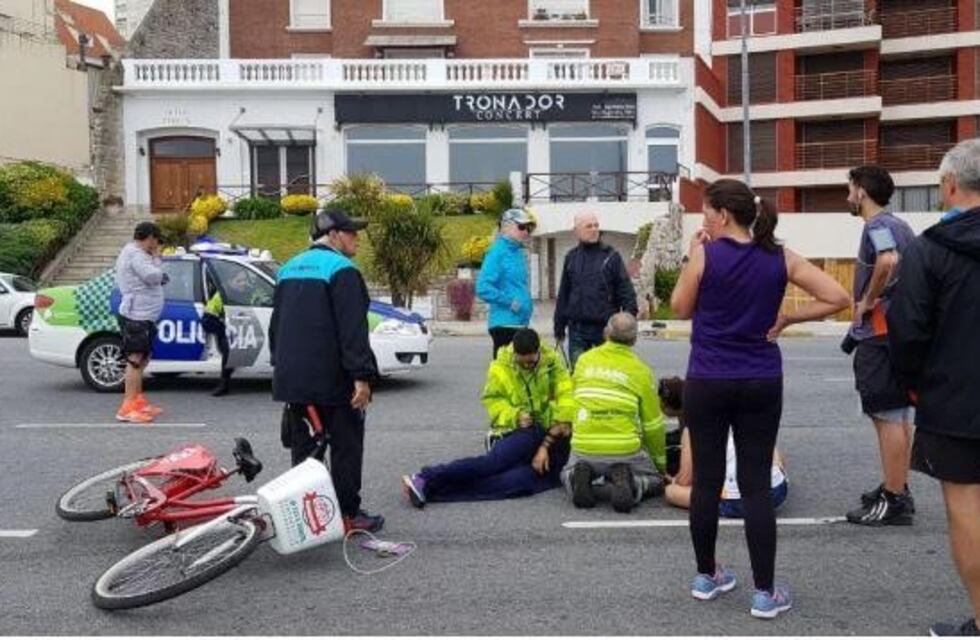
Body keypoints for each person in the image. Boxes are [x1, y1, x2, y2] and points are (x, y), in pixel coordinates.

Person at [670, 179, 849, 619]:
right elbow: (838, 297)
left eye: (707, 211)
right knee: (754, 485)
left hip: (708, 379)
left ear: (723, 216)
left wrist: (694, 255)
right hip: (760, 378)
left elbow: (679, 307)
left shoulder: (706, 254)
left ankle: (706, 575)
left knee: (707, 483)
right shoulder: (780, 257)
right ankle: (765, 593)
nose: (703, 218)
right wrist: (788, 316)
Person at [887, 138, 980, 637]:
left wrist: (914, 385)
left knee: (966, 510)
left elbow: (907, 330)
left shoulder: (927, 250)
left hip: (955, 400)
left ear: (948, 186)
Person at [269, 206, 384, 534]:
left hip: (293, 381)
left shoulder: (287, 269)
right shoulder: (342, 270)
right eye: (351, 233)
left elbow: (277, 328)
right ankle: (348, 515)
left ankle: (309, 517)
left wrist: (281, 369)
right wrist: (362, 377)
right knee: (345, 447)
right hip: (333, 379)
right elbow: (352, 331)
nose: (357, 239)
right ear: (333, 236)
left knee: (305, 451)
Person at [401, 328, 574, 507]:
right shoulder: (500, 367)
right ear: (514, 354)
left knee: (516, 485)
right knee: (493, 464)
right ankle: (424, 477)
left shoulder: (554, 364)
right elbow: (492, 401)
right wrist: (515, 416)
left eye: (531, 363)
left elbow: (567, 402)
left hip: (552, 435)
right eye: (522, 364)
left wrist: (545, 445)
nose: (528, 367)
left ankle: (432, 491)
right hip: (522, 430)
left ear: (538, 352)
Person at [843, 165, 917, 526]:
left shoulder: (878, 227)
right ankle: (898, 486)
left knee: (886, 415)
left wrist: (867, 300)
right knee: (899, 415)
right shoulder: (902, 225)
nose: (848, 197)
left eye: (850, 189)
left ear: (862, 191)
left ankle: (894, 499)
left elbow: (887, 260)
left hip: (880, 333)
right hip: (900, 332)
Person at [561, 312, 665, 513]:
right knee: (656, 481)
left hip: (585, 446)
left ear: (606, 333)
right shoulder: (640, 370)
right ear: (634, 340)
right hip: (624, 449)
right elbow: (653, 426)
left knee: (564, 473)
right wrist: (660, 466)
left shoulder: (583, 361)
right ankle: (632, 482)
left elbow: (573, 401)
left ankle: (576, 478)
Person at [660, 378, 789, 518]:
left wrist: (673, 480)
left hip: (739, 499)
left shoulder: (692, 428)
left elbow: (685, 480)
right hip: (777, 490)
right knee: (769, 449)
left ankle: (726, 500)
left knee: (671, 492)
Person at [554, 212, 638, 369]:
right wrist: (559, 326)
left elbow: (626, 291)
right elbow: (564, 294)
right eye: (589, 226)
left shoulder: (612, 256)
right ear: (576, 231)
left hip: (605, 330)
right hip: (577, 330)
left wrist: (627, 322)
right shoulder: (571, 257)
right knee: (579, 375)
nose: (594, 229)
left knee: (607, 375)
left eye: (596, 225)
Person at [113, 221, 167, 424]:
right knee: (135, 360)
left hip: (144, 315)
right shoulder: (136, 255)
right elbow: (152, 276)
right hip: (137, 315)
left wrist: (154, 261)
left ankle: (138, 401)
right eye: (156, 240)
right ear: (150, 238)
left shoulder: (137, 253)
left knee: (143, 358)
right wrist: (157, 260)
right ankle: (127, 408)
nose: (156, 245)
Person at [476, 208, 535, 358]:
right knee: (505, 375)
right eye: (521, 227)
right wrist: (510, 302)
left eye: (528, 228)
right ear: (506, 227)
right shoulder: (497, 252)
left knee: (519, 376)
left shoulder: (517, 253)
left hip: (520, 323)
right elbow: (483, 287)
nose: (526, 232)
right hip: (505, 325)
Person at [201, 277, 231, 397]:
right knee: (228, 349)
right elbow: (207, 319)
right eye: (239, 281)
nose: (244, 283)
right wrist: (222, 329)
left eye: (245, 280)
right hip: (227, 332)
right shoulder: (220, 296)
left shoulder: (249, 292)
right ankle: (224, 384)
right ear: (229, 281)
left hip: (245, 331)